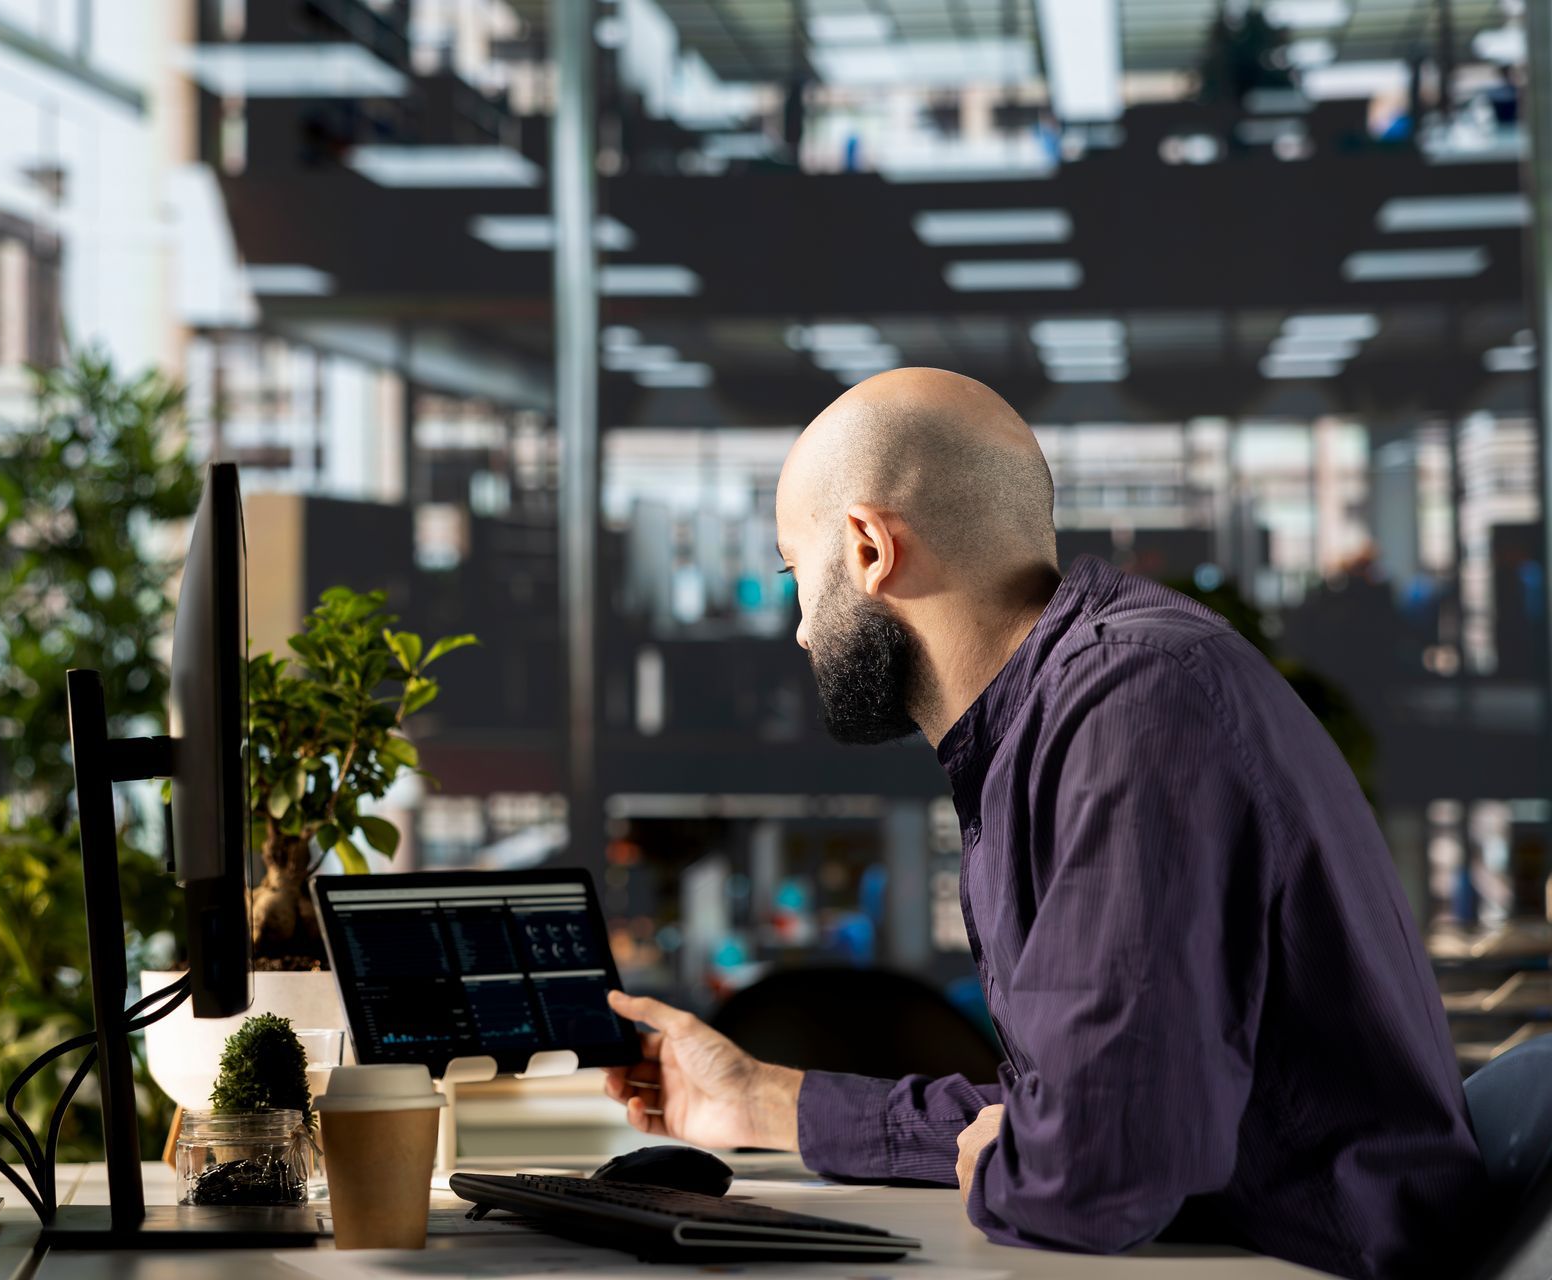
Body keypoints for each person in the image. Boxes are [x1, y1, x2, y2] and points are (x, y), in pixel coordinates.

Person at [601, 369, 1486, 1280]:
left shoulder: (1135, 707)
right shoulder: (1073, 706)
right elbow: (1066, 1116)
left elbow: (1092, 1174)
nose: (798, 631)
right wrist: (758, 1101)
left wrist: (1020, 1158)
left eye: (797, 575)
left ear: (867, 548)